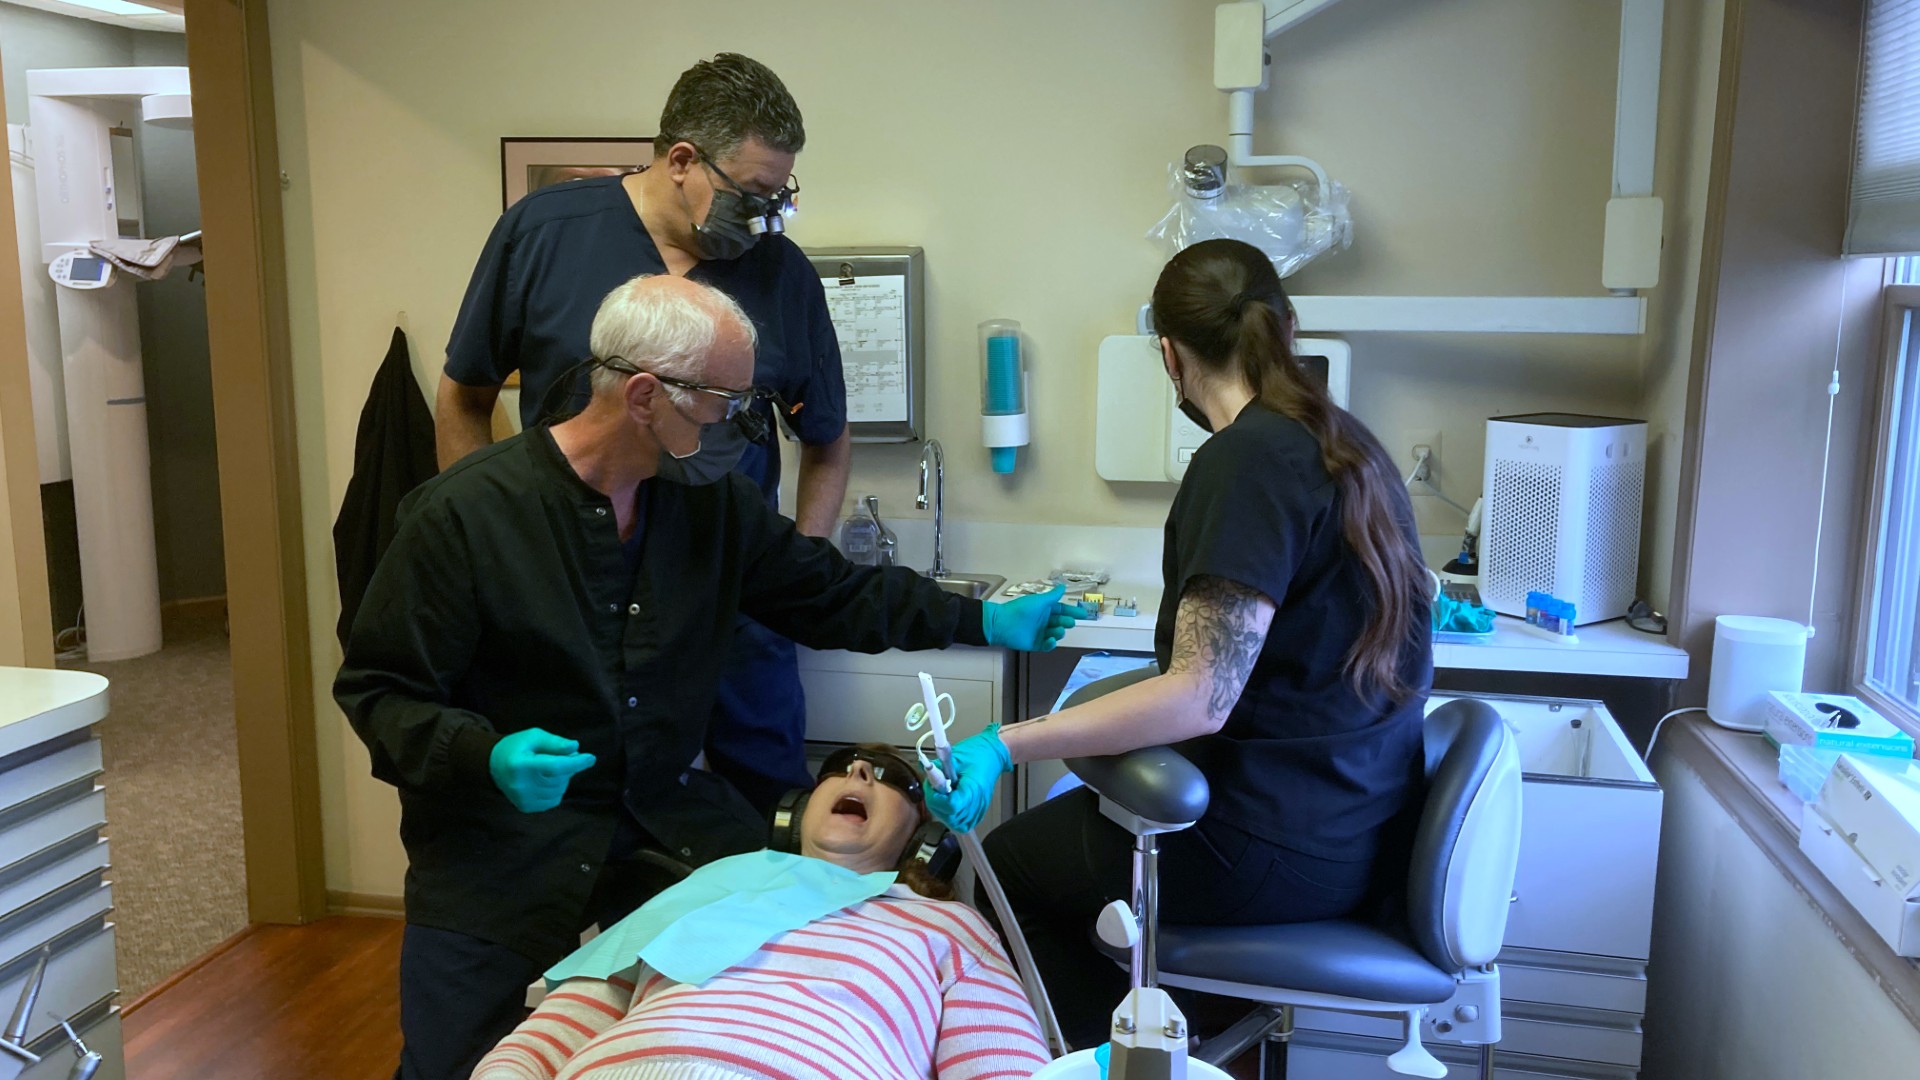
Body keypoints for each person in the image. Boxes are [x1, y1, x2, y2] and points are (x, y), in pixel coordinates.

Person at [336, 275, 1073, 1080]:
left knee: (744, 1004)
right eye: (727, 403)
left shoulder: (710, 508)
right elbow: (379, 692)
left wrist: (982, 621)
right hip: (502, 847)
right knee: (454, 1062)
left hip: (663, 825)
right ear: (645, 397)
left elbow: (831, 595)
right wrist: (484, 756)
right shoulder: (462, 517)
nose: (741, 427)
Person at [930, 238, 1435, 1049]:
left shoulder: (1247, 462)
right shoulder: (1348, 446)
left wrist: (1004, 743)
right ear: (1286, 326)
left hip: (1277, 846)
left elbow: (1200, 696)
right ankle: (1181, 1043)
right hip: (1355, 830)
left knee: (1013, 866)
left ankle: (1122, 1065)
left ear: (1169, 354)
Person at [436, 53, 849, 818]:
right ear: (682, 160)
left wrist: (799, 568)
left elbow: (826, 438)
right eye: (750, 195)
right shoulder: (545, 233)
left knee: (765, 805)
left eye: (780, 198)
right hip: (574, 583)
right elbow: (464, 397)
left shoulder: (781, 274)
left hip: (729, 591)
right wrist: (489, 544)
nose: (765, 218)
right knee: (571, 808)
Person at [472, 745, 1050, 1080]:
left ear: (922, 837)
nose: (857, 774)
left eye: (892, 778)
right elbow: (564, 1022)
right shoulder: (709, 886)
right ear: (796, 810)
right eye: (840, 766)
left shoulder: (947, 925)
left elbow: (1003, 1065)